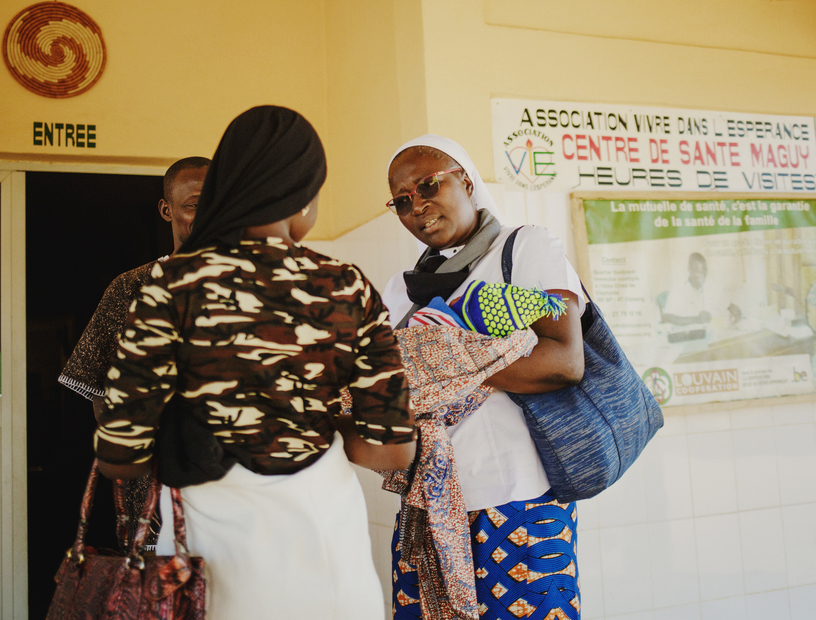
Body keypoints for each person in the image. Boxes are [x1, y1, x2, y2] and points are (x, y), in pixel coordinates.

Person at [95, 106, 416, 619]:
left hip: (208, 564)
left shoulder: (169, 287)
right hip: (329, 553)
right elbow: (393, 452)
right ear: (305, 198)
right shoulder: (345, 286)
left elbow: (119, 457)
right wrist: (317, 419)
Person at [382, 135, 585, 620]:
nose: (419, 205)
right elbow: (398, 393)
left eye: (429, 184)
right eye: (403, 200)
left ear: (466, 181)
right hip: (427, 509)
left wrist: (442, 366)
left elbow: (564, 362)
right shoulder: (398, 291)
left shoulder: (523, 248)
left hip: (519, 498)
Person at [58, 156, 210, 547]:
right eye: (193, 203)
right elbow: (99, 394)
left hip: (244, 506)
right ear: (167, 209)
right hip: (155, 510)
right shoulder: (130, 290)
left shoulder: (254, 289)